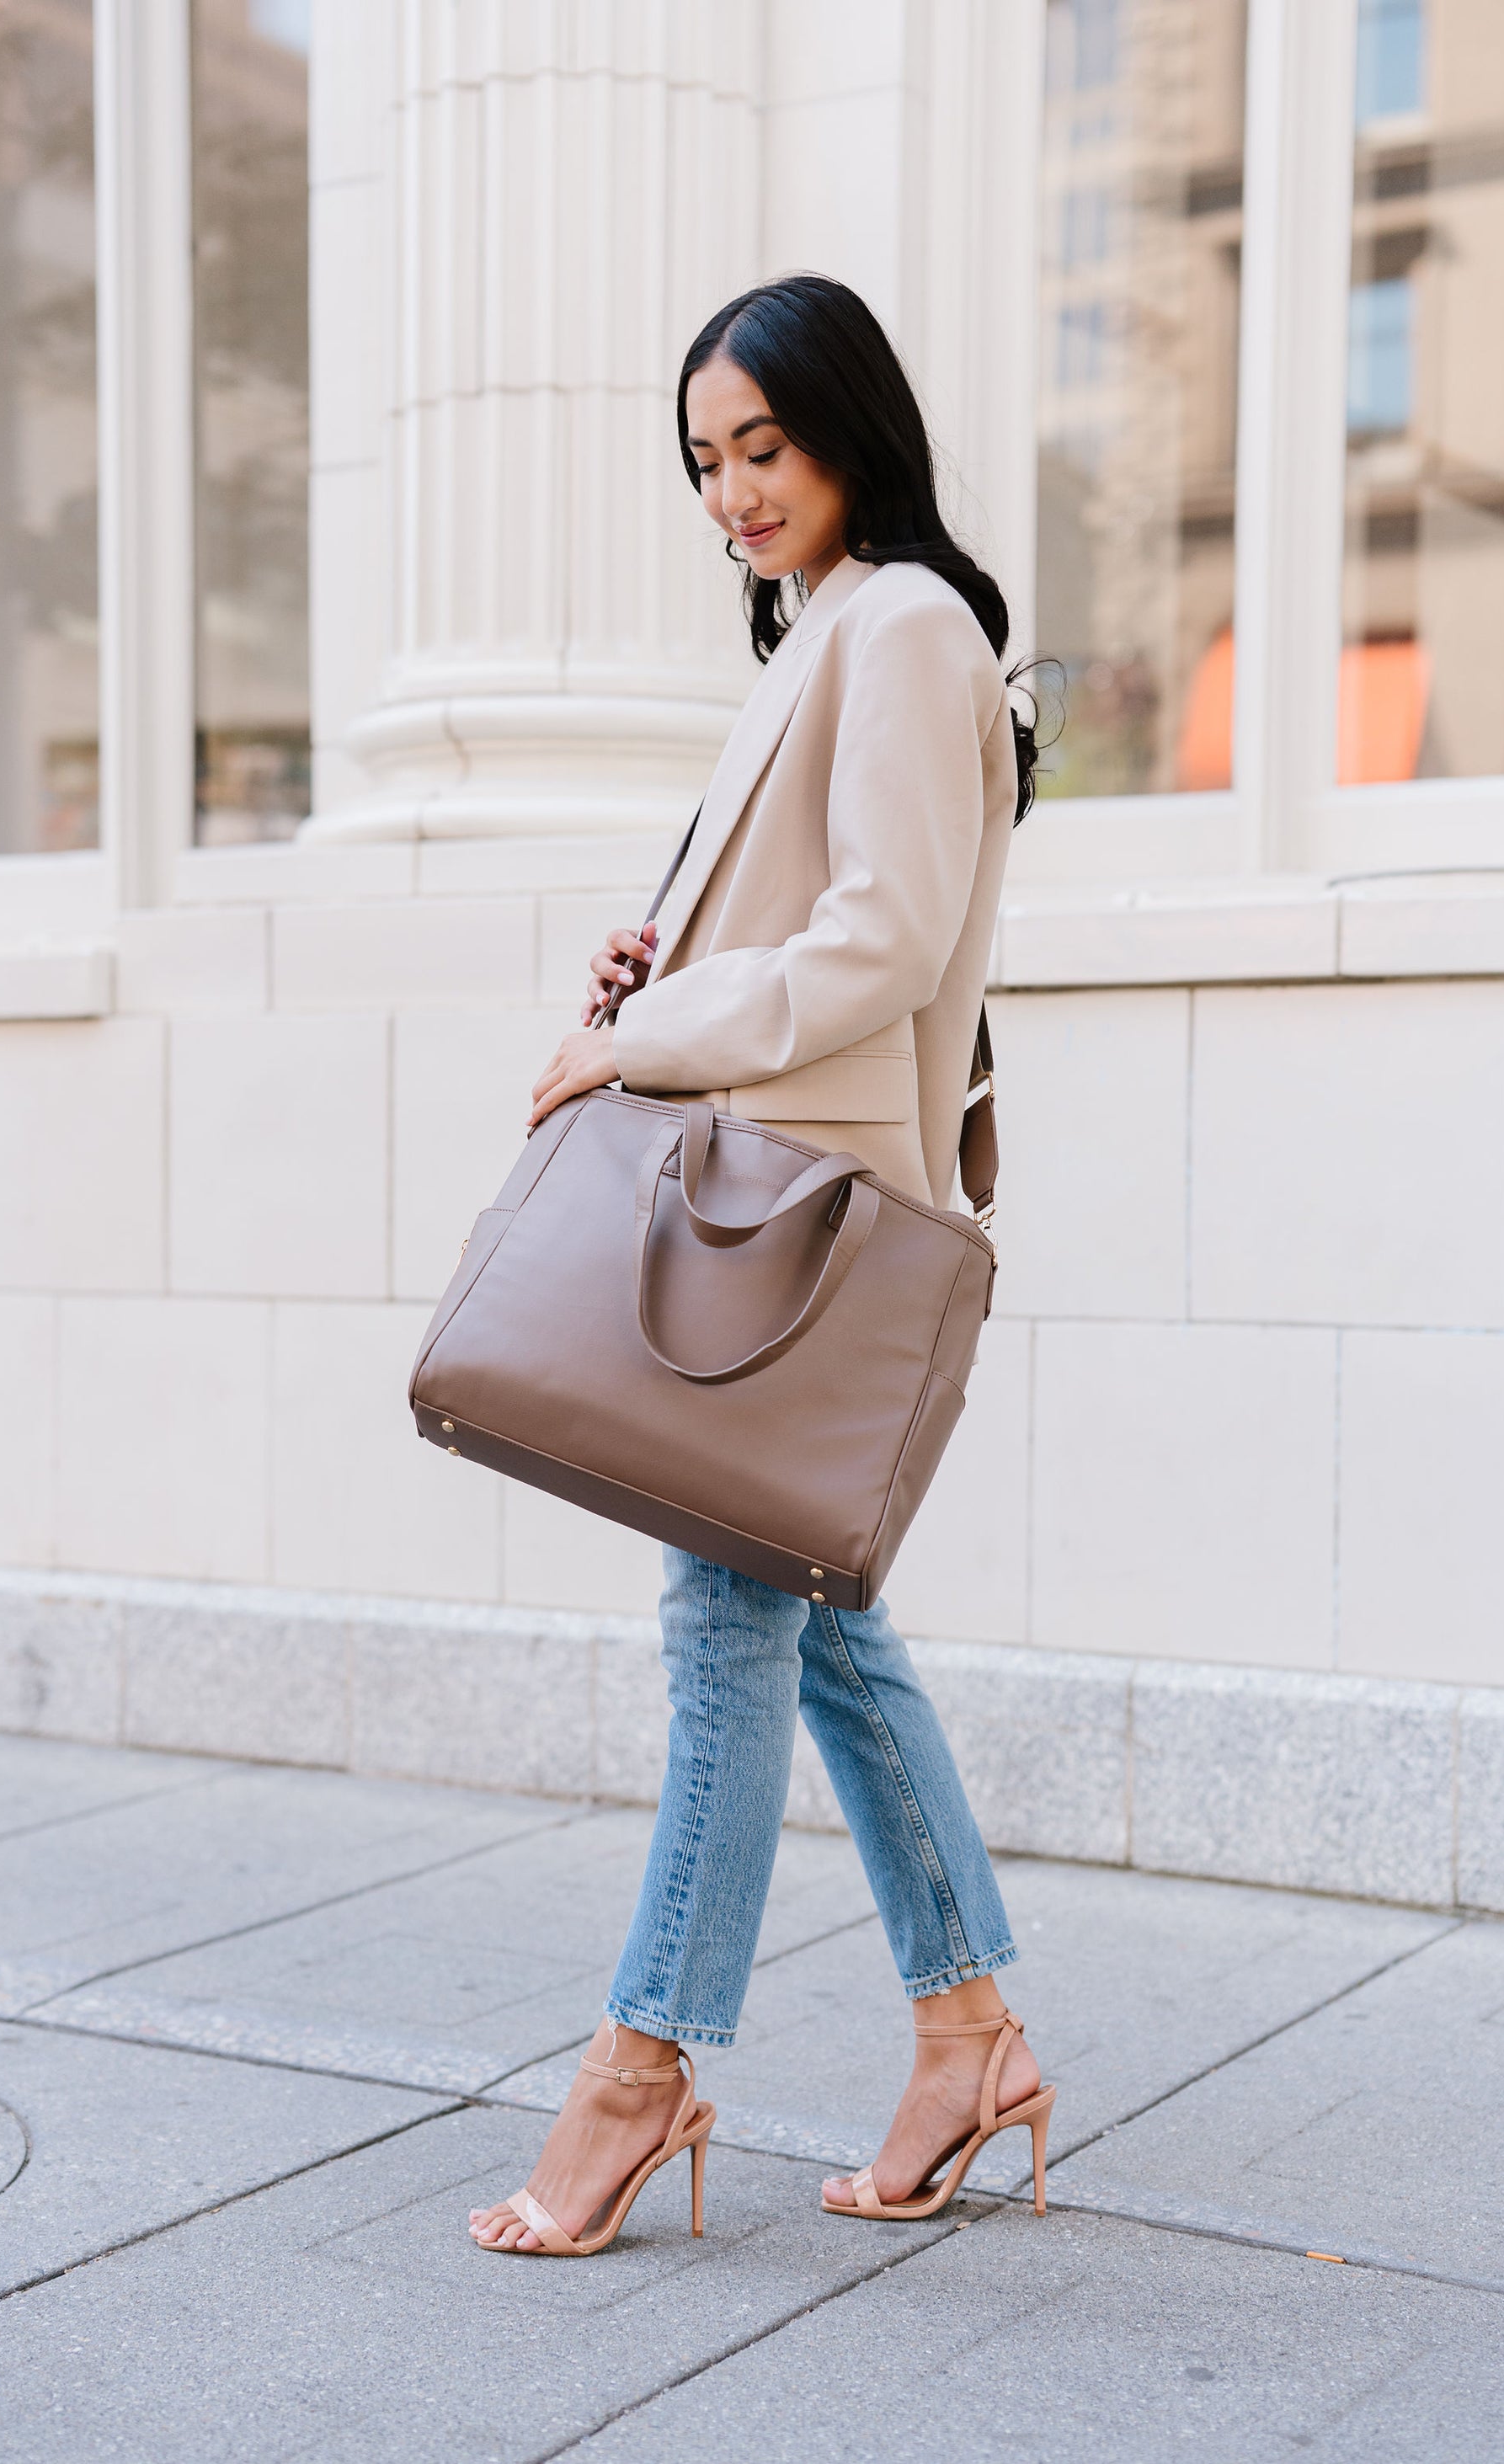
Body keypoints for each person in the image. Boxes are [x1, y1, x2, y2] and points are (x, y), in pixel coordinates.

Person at [468, 273, 1052, 2259]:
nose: (732, 490)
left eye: (763, 448)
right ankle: (967, 2028)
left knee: (728, 1641)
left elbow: (885, 943)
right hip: (770, 1204)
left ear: (848, 431)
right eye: (706, 462)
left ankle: (643, 2070)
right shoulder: (829, 634)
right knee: (817, 1627)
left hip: (792, 1220)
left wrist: (639, 1038)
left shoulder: (895, 625)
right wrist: (670, 969)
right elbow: (831, 926)